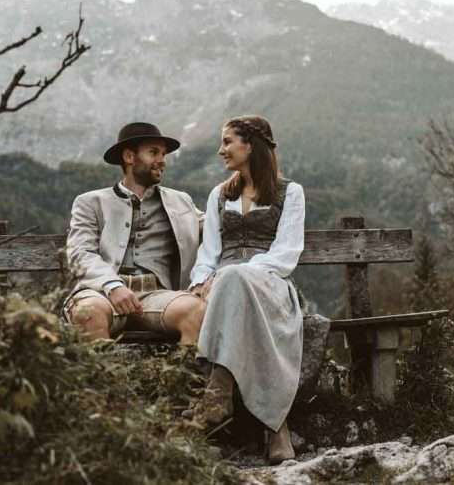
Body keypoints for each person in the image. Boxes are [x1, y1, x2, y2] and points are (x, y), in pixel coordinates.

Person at [187, 114, 305, 464]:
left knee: (235, 279)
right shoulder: (219, 195)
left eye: (227, 141)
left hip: (271, 284)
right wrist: (200, 283)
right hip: (223, 289)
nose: (220, 149)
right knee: (231, 284)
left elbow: (286, 253)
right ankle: (277, 428)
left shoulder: (291, 193)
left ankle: (216, 393)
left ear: (249, 145)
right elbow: (208, 254)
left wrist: (235, 275)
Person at [63, 122, 206, 344]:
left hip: (157, 297)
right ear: (129, 157)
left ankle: (183, 377)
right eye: (153, 152)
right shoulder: (90, 202)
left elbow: (216, 228)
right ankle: (105, 379)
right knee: (87, 312)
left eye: (164, 154)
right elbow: (80, 253)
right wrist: (112, 285)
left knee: (195, 311)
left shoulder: (181, 201)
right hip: (102, 293)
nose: (162, 160)